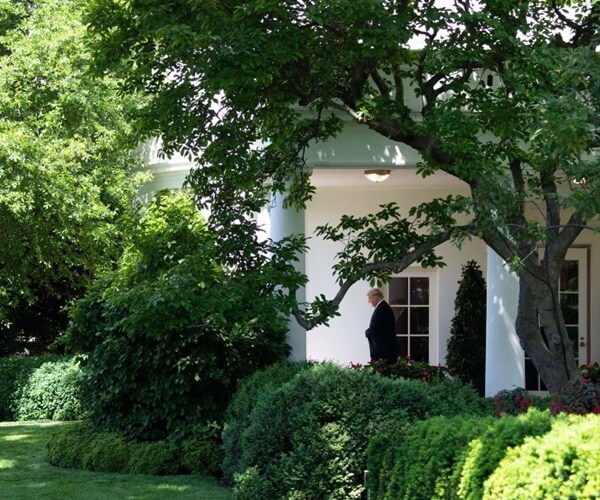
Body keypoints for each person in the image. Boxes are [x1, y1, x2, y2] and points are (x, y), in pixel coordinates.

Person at [365, 288, 398, 364]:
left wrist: (367, 332)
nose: (369, 301)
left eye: (370, 298)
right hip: (383, 350)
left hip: (384, 351)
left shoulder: (383, 308)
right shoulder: (382, 308)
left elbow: (376, 328)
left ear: (376, 296)